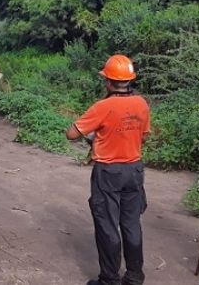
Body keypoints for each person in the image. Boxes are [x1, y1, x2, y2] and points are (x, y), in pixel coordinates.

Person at [65, 54, 150, 285]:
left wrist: (92, 134)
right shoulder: (141, 103)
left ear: (109, 81)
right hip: (134, 170)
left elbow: (72, 133)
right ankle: (134, 276)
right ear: (129, 81)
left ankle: (109, 279)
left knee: (107, 224)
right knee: (131, 223)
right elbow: (143, 136)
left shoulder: (103, 106)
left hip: (109, 172)